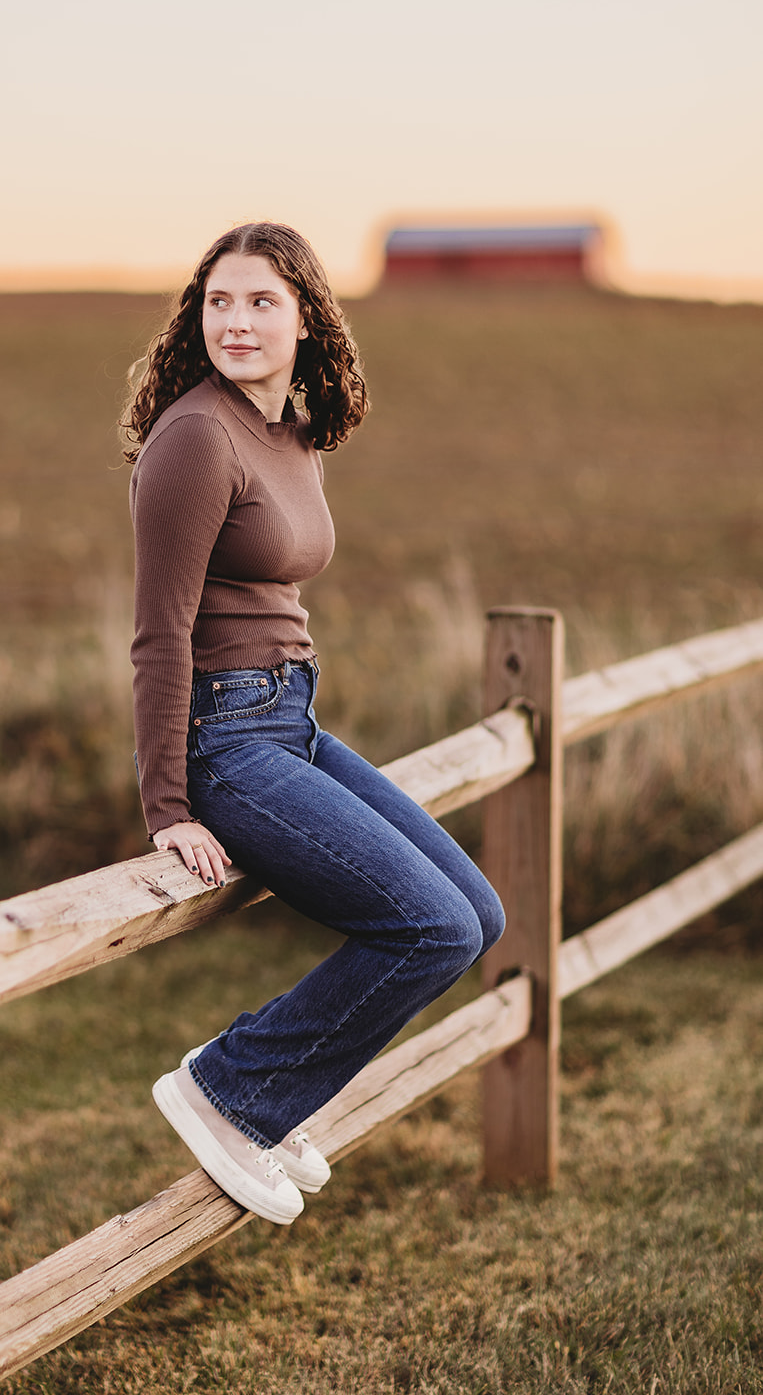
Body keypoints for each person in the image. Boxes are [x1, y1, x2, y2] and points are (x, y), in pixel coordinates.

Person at [123, 221, 504, 1225]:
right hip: (226, 737)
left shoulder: (287, 435)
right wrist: (167, 802)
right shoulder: (195, 437)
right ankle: (230, 1088)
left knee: (478, 916)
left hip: (290, 717)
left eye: (260, 302)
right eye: (218, 301)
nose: (236, 322)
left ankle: (272, 1095)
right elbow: (158, 633)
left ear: (305, 319)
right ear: (195, 316)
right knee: (426, 926)